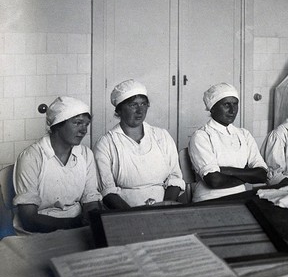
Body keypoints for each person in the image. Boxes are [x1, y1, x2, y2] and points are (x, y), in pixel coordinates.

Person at [13, 96, 102, 233]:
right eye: (77, 123)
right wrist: (75, 223)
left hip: (78, 227)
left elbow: (91, 199)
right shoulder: (31, 157)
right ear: (58, 125)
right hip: (40, 231)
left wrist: (92, 218)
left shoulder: (85, 154)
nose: (84, 130)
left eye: (86, 124)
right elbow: (28, 219)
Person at [94, 79, 184, 210]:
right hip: (125, 213)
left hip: (164, 208)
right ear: (119, 110)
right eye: (133, 105)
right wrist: (134, 216)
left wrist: (163, 208)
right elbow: (108, 192)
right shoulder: (106, 143)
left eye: (143, 104)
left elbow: (175, 178)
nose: (140, 110)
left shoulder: (161, 136)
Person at [189, 83, 267, 201]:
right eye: (226, 105)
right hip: (210, 199)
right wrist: (248, 175)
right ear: (212, 108)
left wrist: (227, 170)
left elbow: (262, 174)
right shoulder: (202, 136)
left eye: (235, 104)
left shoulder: (244, 134)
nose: (232, 110)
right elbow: (214, 181)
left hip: (241, 197)